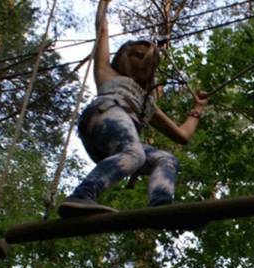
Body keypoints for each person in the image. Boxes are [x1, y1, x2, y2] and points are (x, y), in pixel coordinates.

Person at [58, 0, 209, 218]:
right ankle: (82, 195)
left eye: (147, 60)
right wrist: (104, 4)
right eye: (137, 55)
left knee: (166, 159)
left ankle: (160, 207)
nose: (142, 62)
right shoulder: (107, 73)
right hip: (106, 114)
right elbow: (102, 28)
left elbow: (182, 136)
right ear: (124, 57)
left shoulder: (146, 104)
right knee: (135, 153)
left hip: (116, 142)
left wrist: (198, 109)